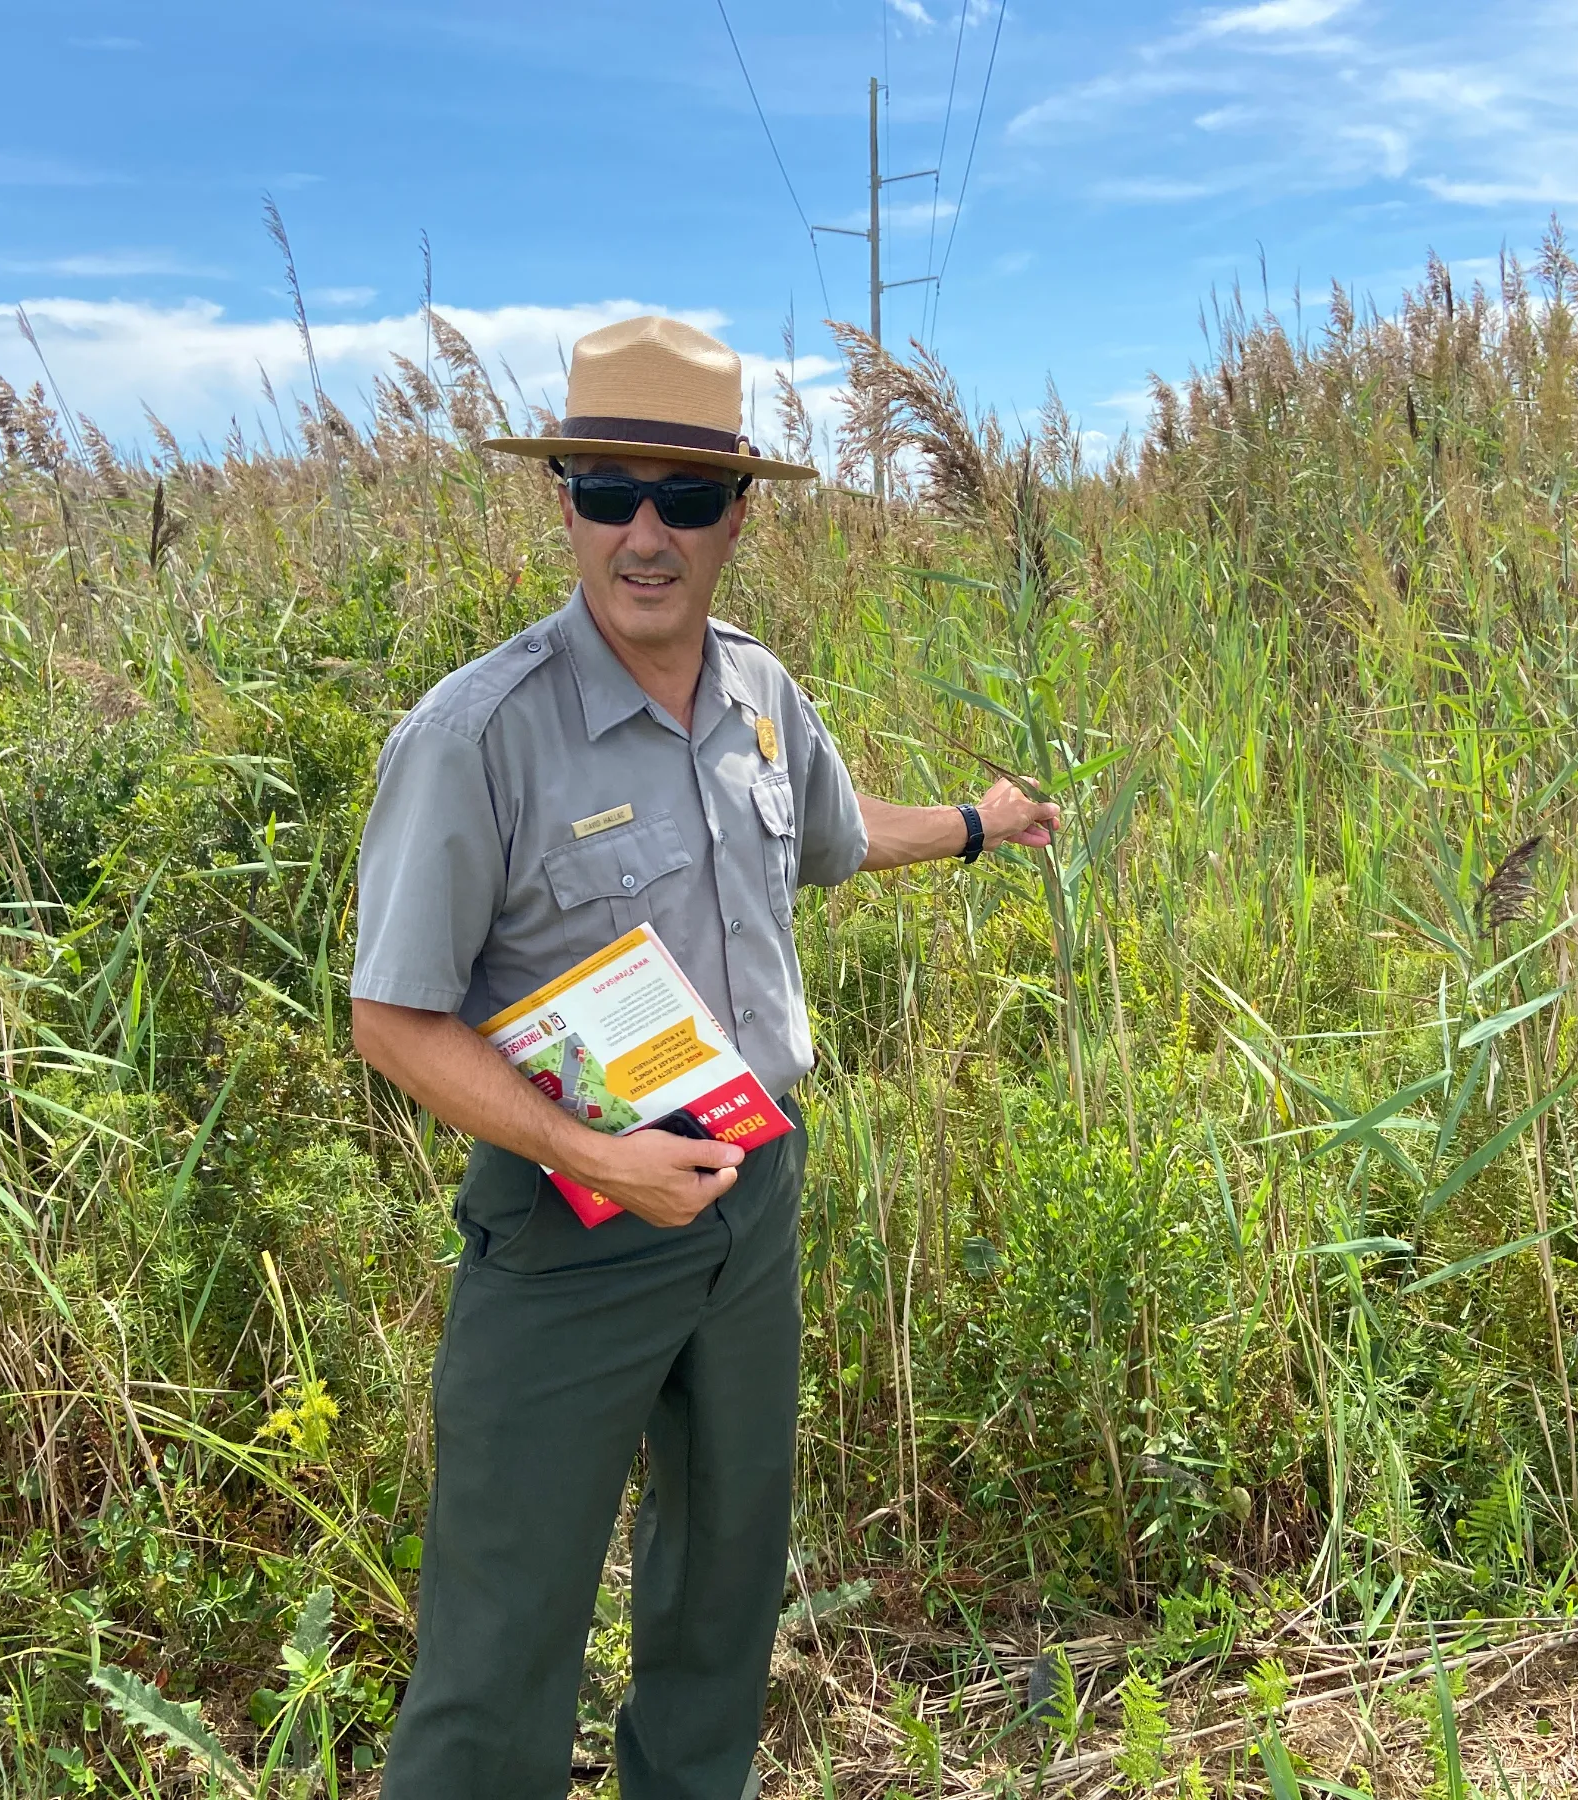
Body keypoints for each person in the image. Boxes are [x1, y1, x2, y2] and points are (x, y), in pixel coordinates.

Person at [350, 315, 1058, 1800]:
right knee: (506, 1625)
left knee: (726, 1581)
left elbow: (840, 846)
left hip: (756, 1203)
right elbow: (394, 1017)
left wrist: (989, 821)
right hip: (573, 1225)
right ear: (566, 507)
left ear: (742, 510)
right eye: (607, 492)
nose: (645, 534)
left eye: (681, 496)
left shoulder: (758, 692)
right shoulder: (481, 735)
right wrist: (595, 1154)